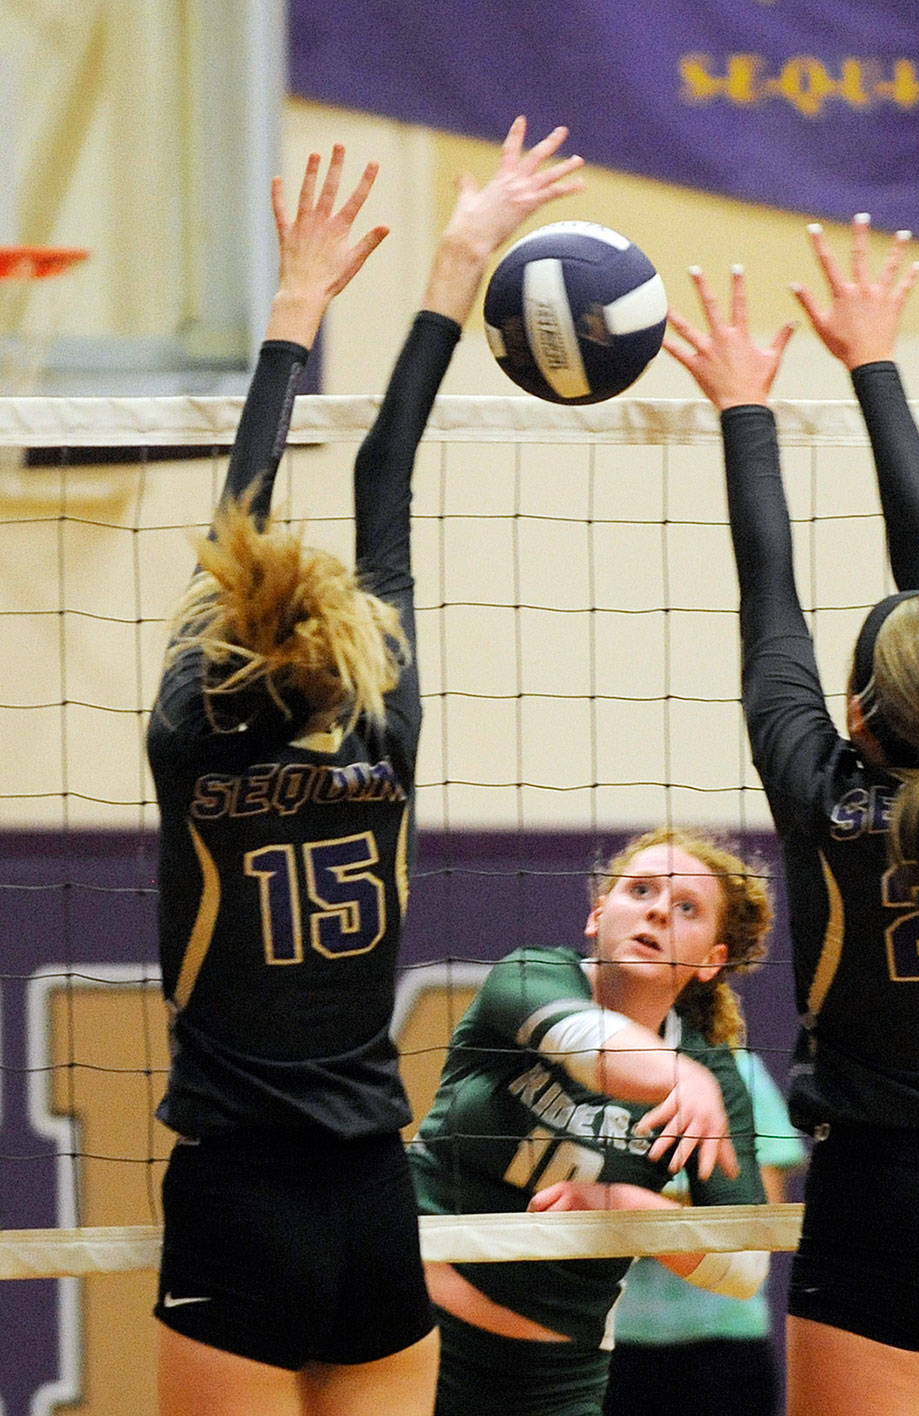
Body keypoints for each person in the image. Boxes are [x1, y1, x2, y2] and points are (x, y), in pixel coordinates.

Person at [146, 119, 585, 1416]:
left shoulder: (191, 733)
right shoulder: (386, 733)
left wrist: (295, 303)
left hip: (241, 1199)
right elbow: (385, 471)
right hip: (373, 1201)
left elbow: (245, 512)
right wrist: (460, 257)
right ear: (354, 652)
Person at [664, 219, 919, 1416]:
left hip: (884, 1210)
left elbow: (767, 599)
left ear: (850, 712)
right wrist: (873, 365)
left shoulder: (824, 795)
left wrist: (747, 405)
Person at [408, 826, 774, 1416]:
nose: (657, 911)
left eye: (686, 908)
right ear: (597, 917)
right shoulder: (529, 975)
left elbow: (743, 1268)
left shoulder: (714, 1077)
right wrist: (681, 1077)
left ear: (712, 960)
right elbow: (589, 1048)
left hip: (551, 1380)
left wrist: (621, 1208)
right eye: (641, 891)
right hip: (406, 1329)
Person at [602, 1047, 807, 1416]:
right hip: (612, 1341)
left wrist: (627, 1209)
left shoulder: (740, 1070)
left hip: (724, 1340)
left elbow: (761, 1222)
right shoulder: (597, 1066)